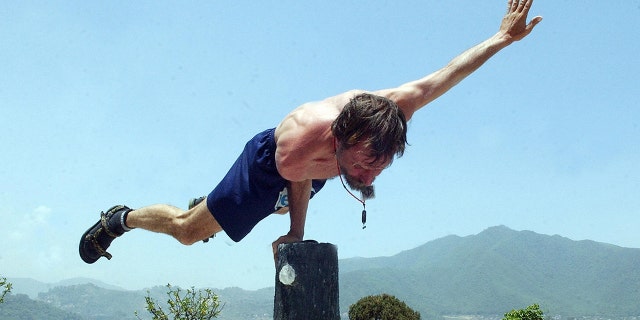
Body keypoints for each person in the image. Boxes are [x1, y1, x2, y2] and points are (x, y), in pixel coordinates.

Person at [79, 0, 543, 264]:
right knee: (189, 231)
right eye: (365, 164)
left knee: (257, 215)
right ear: (340, 141)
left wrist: (501, 38)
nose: (371, 176)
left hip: (312, 167)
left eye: (380, 166)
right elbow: (296, 180)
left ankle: (214, 202)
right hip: (270, 166)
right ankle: (120, 219)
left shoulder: (393, 111)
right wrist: (297, 232)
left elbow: (448, 74)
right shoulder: (302, 143)